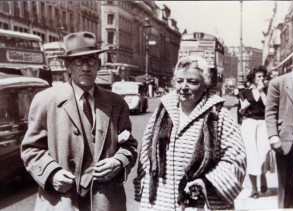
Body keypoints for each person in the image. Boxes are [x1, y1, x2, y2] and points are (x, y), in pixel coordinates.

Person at [21, 31, 138, 211]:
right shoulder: (45, 101)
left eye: (91, 61)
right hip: (61, 202)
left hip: (106, 203)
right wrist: (52, 174)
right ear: (67, 66)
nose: (85, 67)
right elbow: (31, 149)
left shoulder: (117, 104)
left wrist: (118, 162)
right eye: (78, 61)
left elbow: (129, 145)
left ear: (98, 65)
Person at [134, 55, 246, 210]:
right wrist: (145, 191)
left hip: (202, 202)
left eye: (192, 82)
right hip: (161, 201)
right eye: (180, 81)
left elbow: (236, 160)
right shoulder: (162, 111)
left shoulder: (218, 115)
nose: (184, 87)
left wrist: (206, 182)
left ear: (205, 85)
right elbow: (146, 157)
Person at [265, 56, 293, 208]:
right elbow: (270, 111)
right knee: (285, 181)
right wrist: (273, 135)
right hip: (285, 139)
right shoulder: (278, 83)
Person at [238, 65, 272, 199]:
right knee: (251, 154)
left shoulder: (267, 91)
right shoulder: (244, 93)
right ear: (253, 78)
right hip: (249, 124)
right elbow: (240, 113)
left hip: (263, 123)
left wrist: (262, 91)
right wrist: (243, 108)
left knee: (264, 152)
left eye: (263, 76)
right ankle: (253, 189)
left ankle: (263, 177)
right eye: (259, 76)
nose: (262, 78)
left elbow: (269, 106)